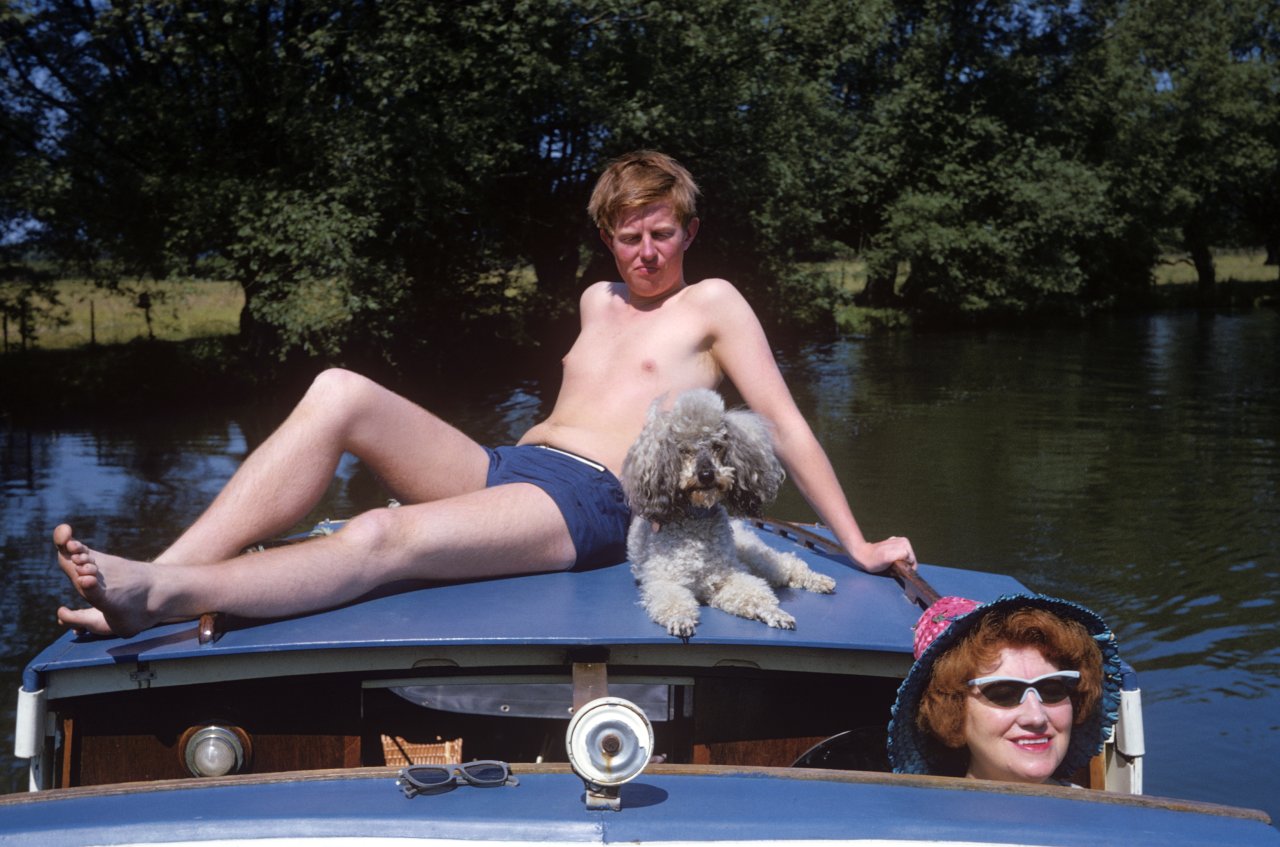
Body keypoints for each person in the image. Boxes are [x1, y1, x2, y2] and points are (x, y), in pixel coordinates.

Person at [54, 150, 917, 638]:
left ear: (690, 230)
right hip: (516, 464)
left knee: (383, 531)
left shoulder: (713, 303)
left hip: (597, 503)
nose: (646, 252)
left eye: (662, 234)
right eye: (629, 238)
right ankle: (156, 575)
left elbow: (785, 424)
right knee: (338, 388)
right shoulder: (596, 298)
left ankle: (156, 595)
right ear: (608, 240)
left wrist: (861, 541)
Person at [886, 594, 1122, 786]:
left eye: (1052, 688)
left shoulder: (1108, 819)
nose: (1036, 717)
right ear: (953, 712)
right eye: (1003, 693)